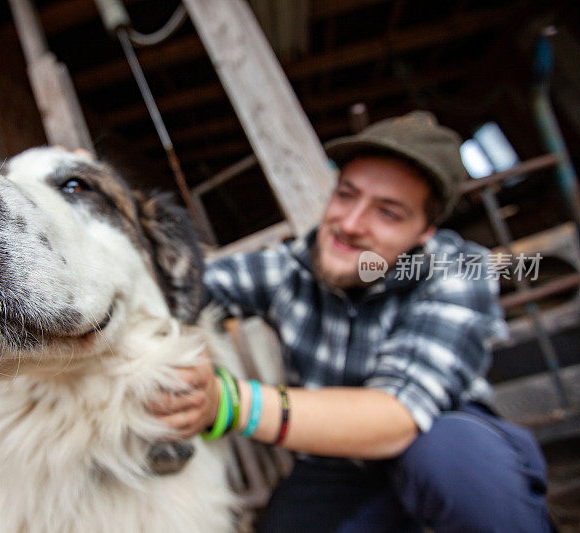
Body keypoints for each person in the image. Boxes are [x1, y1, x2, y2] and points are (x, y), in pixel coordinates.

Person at [151, 111, 553, 532]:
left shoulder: (456, 270)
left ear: (425, 233)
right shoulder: (289, 269)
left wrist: (230, 402)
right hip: (336, 461)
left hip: (437, 438)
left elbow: (396, 418)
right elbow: (180, 289)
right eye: (346, 195)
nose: (350, 224)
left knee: (452, 462)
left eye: (389, 213)